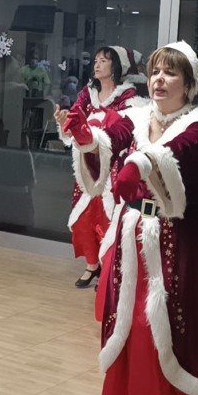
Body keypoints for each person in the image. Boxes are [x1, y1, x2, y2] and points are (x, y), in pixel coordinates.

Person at [64, 40, 198, 395]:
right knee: (128, 320)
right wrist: (85, 137)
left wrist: (140, 163)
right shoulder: (136, 117)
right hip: (131, 234)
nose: (159, 80)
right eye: (155, 72)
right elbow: (108, 140)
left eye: (170, 73)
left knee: (163, 321)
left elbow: (181, 152)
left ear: (188, 84)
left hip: (175, 237)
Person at [55, 46, 144, 289]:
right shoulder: (87, 94)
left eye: (103, 60)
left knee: (109, 216)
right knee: (84, 215)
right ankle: (92, 264)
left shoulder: (130, 99)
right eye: (96, 60)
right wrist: (65, 122)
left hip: (114, 167)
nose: (97, 64)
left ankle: (108, 266)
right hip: (87, 167)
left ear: (117, 66)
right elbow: (74, 122)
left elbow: (125, 133)